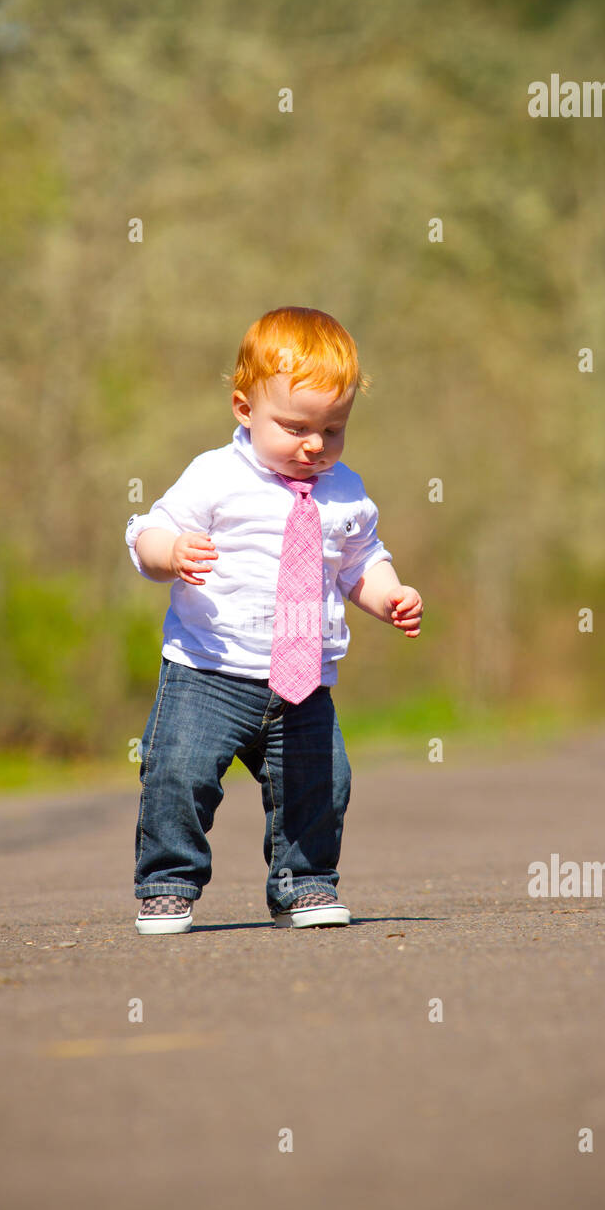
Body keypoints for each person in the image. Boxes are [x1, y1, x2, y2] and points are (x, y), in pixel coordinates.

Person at [125, 306, 423, 934]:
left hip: (304, 677)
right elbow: (147, 531)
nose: (315, 446)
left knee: (321, 783)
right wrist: (171, 553)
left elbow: (362, 560)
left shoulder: (346, 490)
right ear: (244, 409)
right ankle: (168, 881)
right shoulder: (215, 476)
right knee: (177, 774)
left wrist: (390, 595)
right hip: (209, 668)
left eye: (333, 430)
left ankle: (306, 884)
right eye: (295, 427)